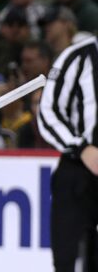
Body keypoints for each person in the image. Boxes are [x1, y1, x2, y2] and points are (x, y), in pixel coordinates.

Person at [37, 35, 98, 272]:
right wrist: (81, 148)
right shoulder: (77, 57)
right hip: (78, 171)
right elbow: (49, 111)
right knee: (68, 258)